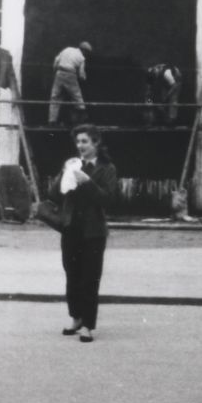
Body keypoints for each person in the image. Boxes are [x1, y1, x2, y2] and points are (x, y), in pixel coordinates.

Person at [46, 123, 117, 342]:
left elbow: (109, 199)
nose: (80, 146)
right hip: (70, 228)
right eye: (78, 142)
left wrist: (87, 182)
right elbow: (54, 195)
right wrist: (64, 176)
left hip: (93, 231)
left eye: (85, 141)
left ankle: (87, 325)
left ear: (96, 143)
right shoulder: (72, 164)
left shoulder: (107, 168)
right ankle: (75, 317)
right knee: (72, 276)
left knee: (89, 278)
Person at [48, 41, 92, 125]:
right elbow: (81, 75)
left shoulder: (67, 49)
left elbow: (56, 60)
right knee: (77, 96)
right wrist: (84, 79)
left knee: (55, 97)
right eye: (86, 52)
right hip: (70, 75)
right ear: (84, 51)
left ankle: (52, 120)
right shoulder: (81, 58)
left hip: (59, 73)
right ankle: (82, 119)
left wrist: (55, 72)